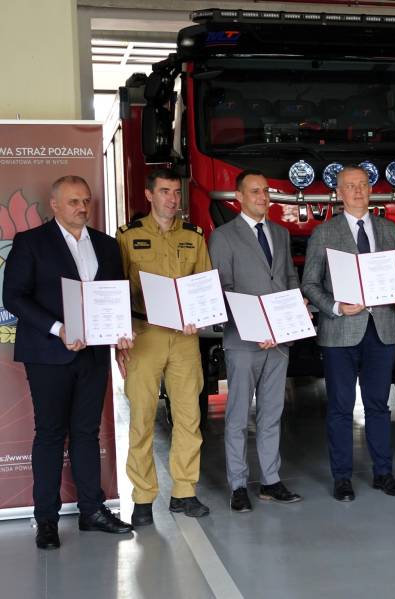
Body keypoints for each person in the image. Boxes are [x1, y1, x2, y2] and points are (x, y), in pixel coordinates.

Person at [3, 175, 133, 549]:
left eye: (86, 201)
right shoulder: (31, 242)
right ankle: (46, 519)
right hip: (48, 355)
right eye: (74, 201)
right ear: (55, 205)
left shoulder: (107, 245)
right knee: (50, 434)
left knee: (86, 432)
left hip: (94, 354)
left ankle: (92, 511)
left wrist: (121, 333)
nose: (82, 207)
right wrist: (58, 328)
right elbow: (14, 296)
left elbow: (114, 296)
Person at [301, 165, 395, 501]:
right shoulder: (324, 233)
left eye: (363, 184)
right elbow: (309, 283)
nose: (358, 191)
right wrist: (335, 306)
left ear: (371, 189)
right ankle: (342, 478)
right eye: (350, 186)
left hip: (382, 329)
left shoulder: (389, 230)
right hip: (340, 332)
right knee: (340, 406)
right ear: (339, 193)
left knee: (378, 405)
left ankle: (383, 473)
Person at [116, 168, 212, 525]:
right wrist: (119, 338)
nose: (173, 199)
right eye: (165, 191)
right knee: (141, 418)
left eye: (176, 192)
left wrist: (200, 316)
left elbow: (203, 284)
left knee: (188, 417)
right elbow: (117, 290)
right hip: (144, 334)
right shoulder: (128, 236)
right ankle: (143, 498)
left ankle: (184, 492)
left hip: (185, 337)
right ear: (149, 194)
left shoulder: (193, 237)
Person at [209, 170, 302, 512]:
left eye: (265, 191)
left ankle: (270, 481)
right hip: (244, 341)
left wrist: (290, 319)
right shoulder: (223, 236)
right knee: (237, 416)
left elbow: (288, 278)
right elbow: (224, 289)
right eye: (255, 191)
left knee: (271, 413)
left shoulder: (280, 233)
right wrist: (257, 328)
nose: (263, 197)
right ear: (239, 197)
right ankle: (238, 485)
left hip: (278, 340)